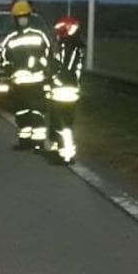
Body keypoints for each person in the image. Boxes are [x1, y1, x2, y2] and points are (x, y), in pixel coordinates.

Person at [0, 0, 52, 152]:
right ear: (15, 19)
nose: (22, 20)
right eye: (19, 17)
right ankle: (24, 141)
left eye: (24, 17)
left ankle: (38, 143)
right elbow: (5, 59)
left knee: (36, 112)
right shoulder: (10, 39)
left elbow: (48, 56)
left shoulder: (39, 36)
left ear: (29, 17)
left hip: (36, 83)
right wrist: (9, 71)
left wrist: (44, 71)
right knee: (21, 112)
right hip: (19, 84)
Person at [48, 16, 85, 163]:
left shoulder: (68, 47)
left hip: (63, 89)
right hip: (71, 89)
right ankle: (59, 150)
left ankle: (65, 154)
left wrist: (53, 78)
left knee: (61, 123)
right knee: (64, 122)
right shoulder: (76, 47)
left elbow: (64, 69)